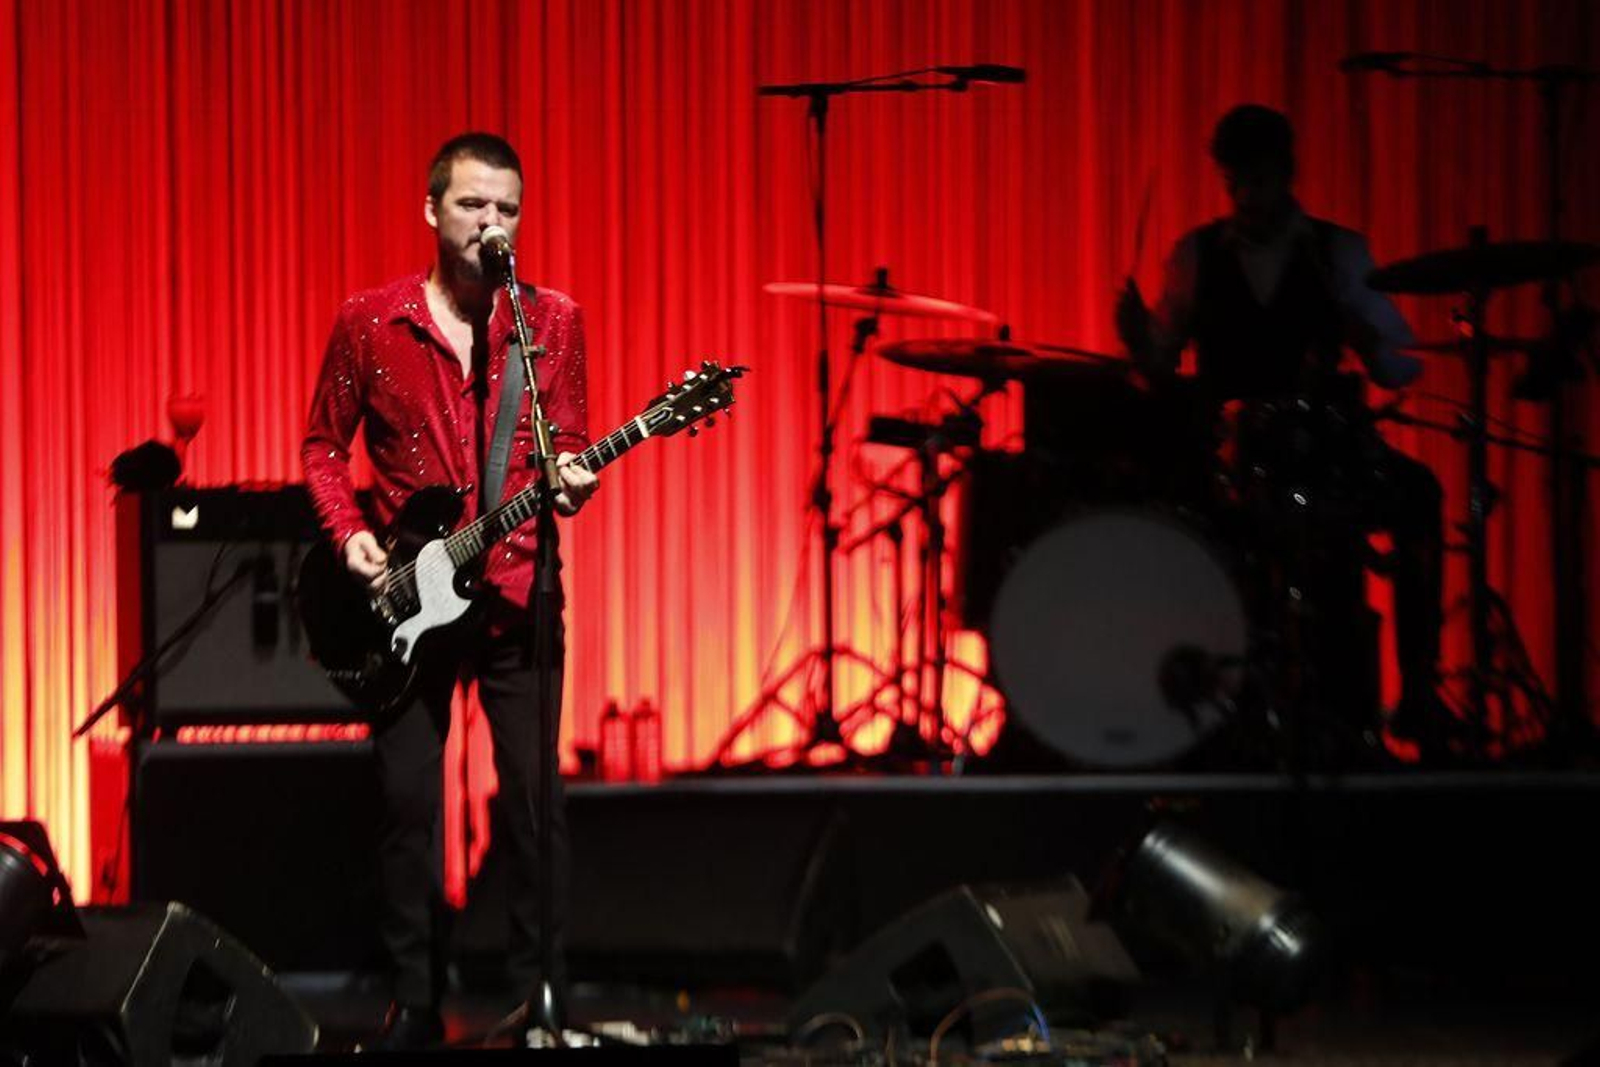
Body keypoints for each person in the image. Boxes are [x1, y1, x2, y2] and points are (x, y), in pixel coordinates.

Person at [302, 132, 598, 1050]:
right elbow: (321, 447)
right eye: (474, 206)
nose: (492, 224)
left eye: (507, 208)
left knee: (532, 802)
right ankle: (414, 998)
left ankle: (534, 997)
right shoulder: (371, 321)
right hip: (407, 602)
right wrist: (350, 535)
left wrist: (579, 482)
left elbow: (568, 448)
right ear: (432, 212)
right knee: (406, 806)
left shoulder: (552, 323)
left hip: (516, 589)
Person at [1115, 104, 1446, 755]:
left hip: (1328, 450)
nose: (1246, 198)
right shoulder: (1196, 254)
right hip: (1229, 457)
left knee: (1420, 496)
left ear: (1287, 174)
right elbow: (1159, 366)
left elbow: (1400, 366)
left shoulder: (1338, 252)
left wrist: (1368, 336)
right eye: (1234, 184)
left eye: (1258, 182)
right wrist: (1136, 340)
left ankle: (1419, 692)